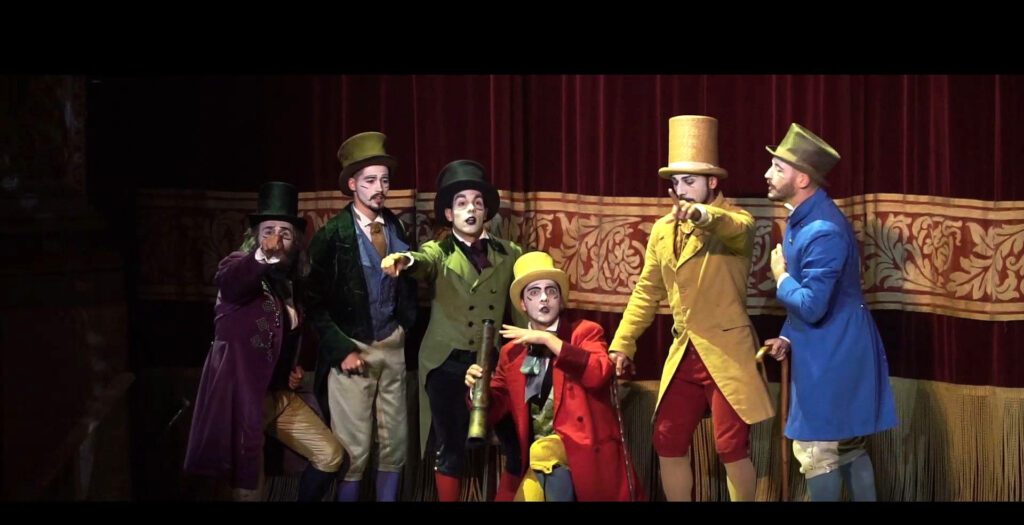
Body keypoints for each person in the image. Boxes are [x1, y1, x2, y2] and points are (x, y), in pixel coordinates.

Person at [609, 115, 774, 501]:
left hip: (727, 352)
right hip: (685, 350)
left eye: (690, 181)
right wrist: (623, 343)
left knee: (730, 445)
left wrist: (701, 215)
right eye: (677, 183)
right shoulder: (663, 231)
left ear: (712, 182)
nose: (681, 191)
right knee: (666, 438)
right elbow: (646, 291)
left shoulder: (737, 221)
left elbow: (732, 228)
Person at [761, 122, 898, 501]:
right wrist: (788, 336)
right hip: (824, 347)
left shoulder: (822, 229)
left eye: (778, 168)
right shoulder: (804, 219)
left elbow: (811, 304)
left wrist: (780, 276)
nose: (767, 174)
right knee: (844, 447)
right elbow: (815, 297)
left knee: (817, 450)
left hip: (834, 352)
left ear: (802, 179)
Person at [185, 181, 342, 501]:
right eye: (268, 231)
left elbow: (277, 336)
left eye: (285, 234)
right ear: (255, 237)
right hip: (242, 402)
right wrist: (260, 256)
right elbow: (231, 282)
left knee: (330, 455)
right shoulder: (238, 267)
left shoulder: (290, 284)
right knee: (248, 492)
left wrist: (291, 368)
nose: (276, 240)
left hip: (278, 397)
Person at [381, 159, 526, 501]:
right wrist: (405, 261)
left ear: (486, 210)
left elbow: (522, 311)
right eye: (461, 203)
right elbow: (422, 260)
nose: (470, 209)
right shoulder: (439, 252)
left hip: (491, 363)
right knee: (450, 449)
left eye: (477, 202)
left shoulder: (510, 254)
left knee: (519, 444)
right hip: (445, 362)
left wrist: (524, 360)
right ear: (449, 214)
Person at [465, 251, 641, 501]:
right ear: (523, 304)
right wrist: (477, 388)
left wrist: (549, 340)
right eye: (534, 292)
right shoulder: (511, 352)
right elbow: (497, 407)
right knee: (537, 460)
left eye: (551, 291)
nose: (544, 298)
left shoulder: (585, 333)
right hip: (532, 459)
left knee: (546, 453)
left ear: (560, 299)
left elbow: (599, 373)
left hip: (585, 457)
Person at [306, 132, 418, 501]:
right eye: (370, 180)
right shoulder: (333, 235)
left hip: (392, 344)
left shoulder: (395, 226)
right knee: (353, 449)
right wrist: (341, 349)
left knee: (394, 444)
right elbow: (312, 302)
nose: (379, 189)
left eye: (384, 180)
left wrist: (404, 325)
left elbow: (409, 282)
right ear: (352, 184)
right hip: (353, 347)